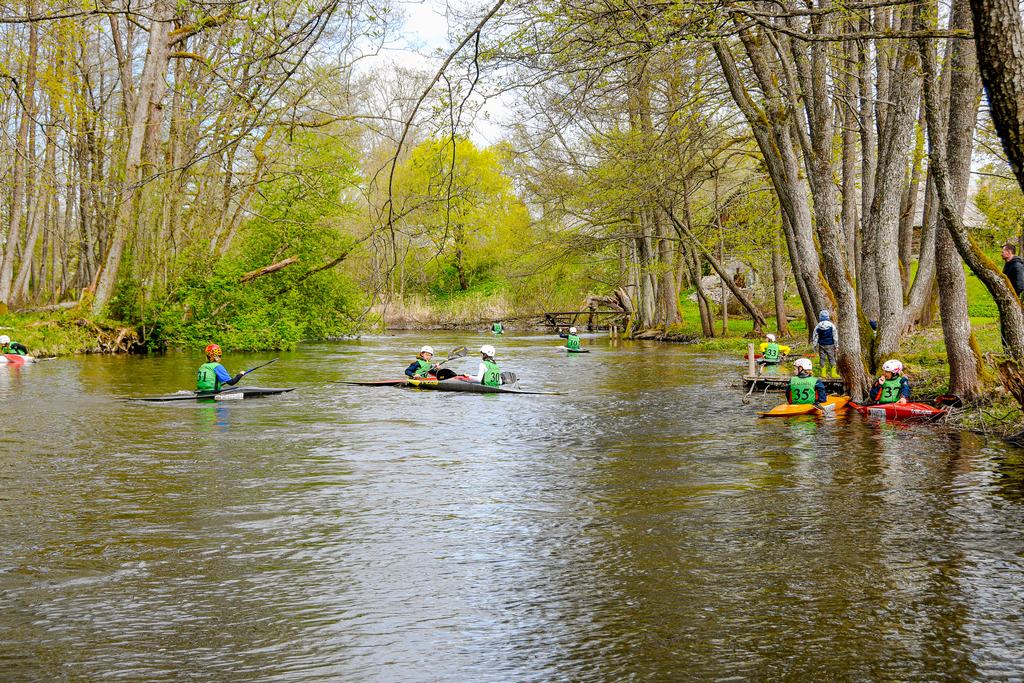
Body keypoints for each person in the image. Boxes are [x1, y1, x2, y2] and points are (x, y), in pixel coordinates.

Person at [812, 310, 839, 378]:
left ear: (820, 317)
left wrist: (814, 345)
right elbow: (835, 336)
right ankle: (833, 373)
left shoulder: (818, 326)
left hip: (821, 345)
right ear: (828, 317)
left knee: (822, 358)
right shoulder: (831, 325)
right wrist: (836, 345)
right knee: (831, 358)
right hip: (830, 345)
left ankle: (823, 374)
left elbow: (815, 336)